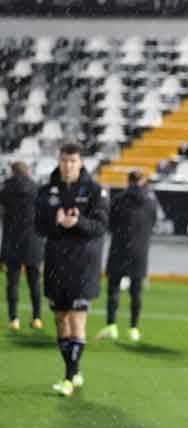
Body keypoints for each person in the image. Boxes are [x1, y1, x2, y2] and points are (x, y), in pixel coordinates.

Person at [35, 142, 108, 396]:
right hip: (56, 262)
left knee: (77, 320)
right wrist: (55, 224)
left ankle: (68, 378)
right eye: (64, 160)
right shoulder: (46, 191)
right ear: (59, 160)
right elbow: (39, 228)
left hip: (83, 264)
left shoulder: (95, 191)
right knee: (59, 320)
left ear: (82, 163)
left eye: (73, 161)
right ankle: (74, 371)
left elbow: (100, 227)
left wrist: (78, 222)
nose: (68, 165)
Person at [96, 170, 156, 343]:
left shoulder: (118, 199)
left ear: (127, 180)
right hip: (140, 250)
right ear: (143, 180)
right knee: (136, 292)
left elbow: (110, 223)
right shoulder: (150, 201)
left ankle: (111, 326)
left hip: (119, 248)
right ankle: (133, 328)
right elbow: (152, 222)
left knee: (113, 289)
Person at [0, 161, 44, 331]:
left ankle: (14, 319)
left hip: (12, 241)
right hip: (33, 241)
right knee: (34, 283)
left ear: (12, 172)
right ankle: (37, 317)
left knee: (13, 283)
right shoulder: (36, 188)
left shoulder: (5, 189)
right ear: (28, 171)